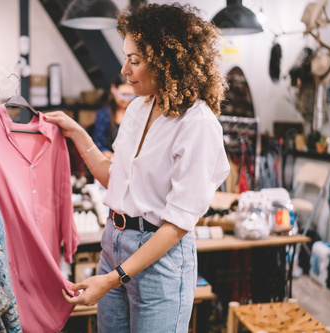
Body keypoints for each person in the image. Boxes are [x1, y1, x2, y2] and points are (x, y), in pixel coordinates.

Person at [44, 3, 230, 332]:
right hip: (113, 243)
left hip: (159, 259)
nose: (125, 71)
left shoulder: (198, 124)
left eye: (135, 60)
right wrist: (77, 133)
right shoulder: (138, 110)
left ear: (167, 61)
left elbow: (177, 226)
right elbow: (115, 178)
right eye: (127, 58)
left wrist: (113, 279)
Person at [93, 75, 135, 159]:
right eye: (123, 94)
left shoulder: (138, 113)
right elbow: (98, 144)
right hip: (109, 161)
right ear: (113, 89)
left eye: (130, 95)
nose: (126, 100)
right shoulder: (104, 114)